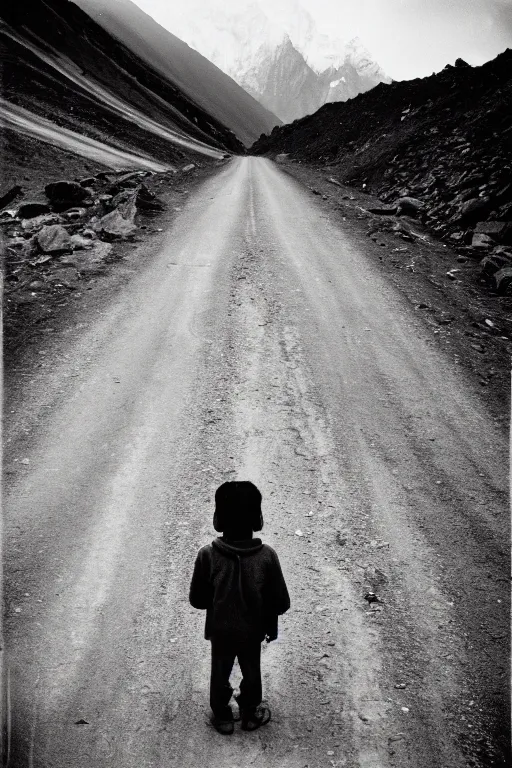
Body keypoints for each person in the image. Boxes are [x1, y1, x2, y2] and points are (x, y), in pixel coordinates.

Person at [189, 480, 290, 735]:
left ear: (217, 520)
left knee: (219, 672)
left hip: (220, 631)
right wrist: (271, 624)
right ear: (258, 519)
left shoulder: (207, 556)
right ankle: (249, 712)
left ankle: (222, 714)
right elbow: (280, 601)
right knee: (252, 670)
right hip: (252, 631)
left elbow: (197, 600)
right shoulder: (267, 556)